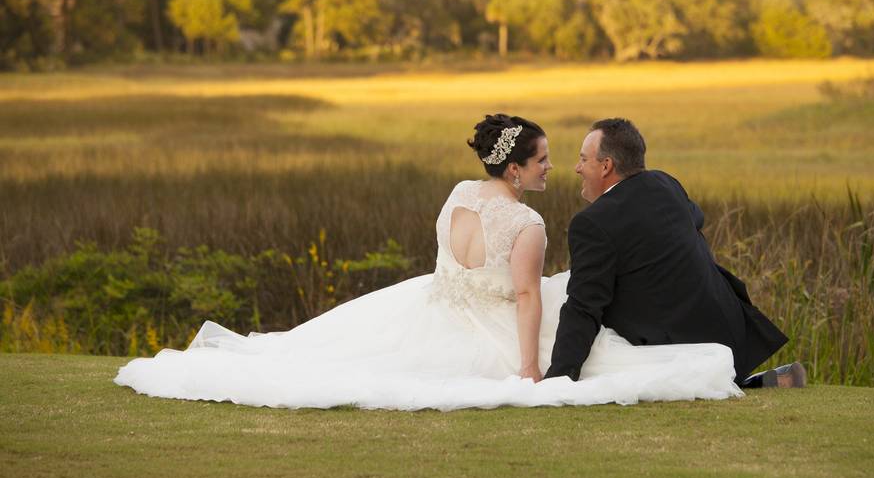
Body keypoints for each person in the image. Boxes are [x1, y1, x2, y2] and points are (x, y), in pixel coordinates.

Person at [115, 114, 744, 411]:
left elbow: (454, 264)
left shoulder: (460, 196)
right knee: (576, 317)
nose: (555, 167)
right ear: (516, 168)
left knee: (332, 354)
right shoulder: (527, 225)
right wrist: (533, 370)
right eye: (545, 159)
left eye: (563, 157)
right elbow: (525, 299)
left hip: (428, 305)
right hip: (491, 327)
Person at [544, 118, 803, 389]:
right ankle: (747, 381)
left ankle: (709, 378)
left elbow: (584, 306)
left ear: (606, 165)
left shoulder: (593, 222)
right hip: (728, 333)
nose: (577, 168)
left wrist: (559, 378)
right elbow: (696, 219)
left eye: (584, 159)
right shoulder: (665, 184)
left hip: (676, 346)